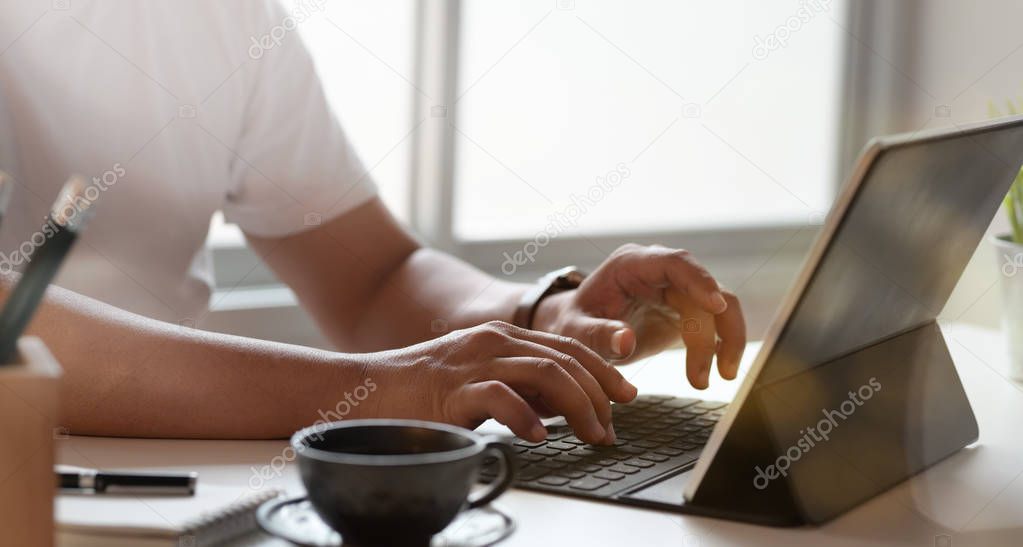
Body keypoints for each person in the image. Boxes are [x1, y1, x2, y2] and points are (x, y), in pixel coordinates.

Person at [0, 0, 744, 445]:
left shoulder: (221, 18)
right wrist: (384, 388)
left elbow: (372, 279)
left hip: (186, 500)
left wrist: (542, 316)